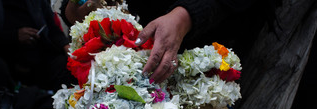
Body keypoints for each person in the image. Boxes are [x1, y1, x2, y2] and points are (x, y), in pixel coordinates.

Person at [59, 0, 273, 83]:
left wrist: (184, 17)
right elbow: (75, 8)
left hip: (202, 61)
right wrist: (75, 7)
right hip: (121, 65)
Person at [0, 0, 75, 99]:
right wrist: (14, 36)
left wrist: (65, 46)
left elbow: (51, 26)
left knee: (65, 64)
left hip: (35, 53)